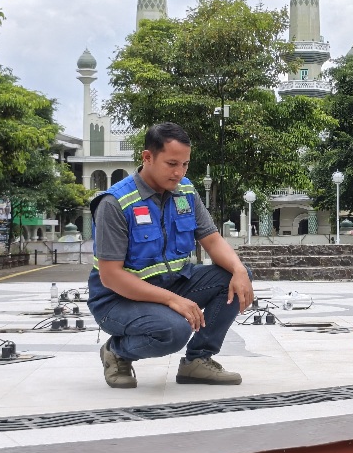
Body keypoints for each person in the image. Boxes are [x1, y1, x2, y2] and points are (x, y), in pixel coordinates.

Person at [87, 122, 254, 389]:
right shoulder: (115, 203)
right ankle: (117, 351)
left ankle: (197, 361)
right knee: (174, 330)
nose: (179, 173)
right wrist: (174, 300)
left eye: (185, 164)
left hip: (172, 283)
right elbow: (111, 276)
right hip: (118, 299)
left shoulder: (185, 192)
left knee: (233, 276)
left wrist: (240, 270)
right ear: (147, 157)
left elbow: (211, 238)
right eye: (172, 163)